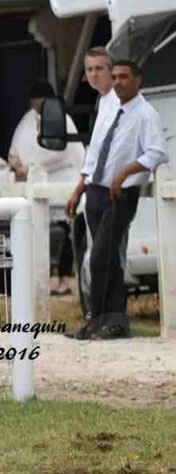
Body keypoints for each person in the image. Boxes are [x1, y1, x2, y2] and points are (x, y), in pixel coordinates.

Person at [64, 60, 168, 340]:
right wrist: (79, 190)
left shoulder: (145, 114)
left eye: (124, 77)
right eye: (115, 77)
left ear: (138, 80)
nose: (118, 81)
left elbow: (156, 152)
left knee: (100, 258)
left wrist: (126, 172)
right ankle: (103, 322)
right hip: (96, 190)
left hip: (120, 194)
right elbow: (96, 152)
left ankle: (107, 321)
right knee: (107, 261)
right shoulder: (109, 107)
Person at [8, 80, 85, 295]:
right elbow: (15, 150)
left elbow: (60, 151)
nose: (36, 109)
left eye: (39, 104)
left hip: (64, 180)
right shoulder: (27, 120)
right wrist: (16, 164)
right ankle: (37, 279)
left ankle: (64, 279)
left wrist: (32, 164)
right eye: (33, 104)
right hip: (35, 184)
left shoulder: (62, 120)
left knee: (67, 231)